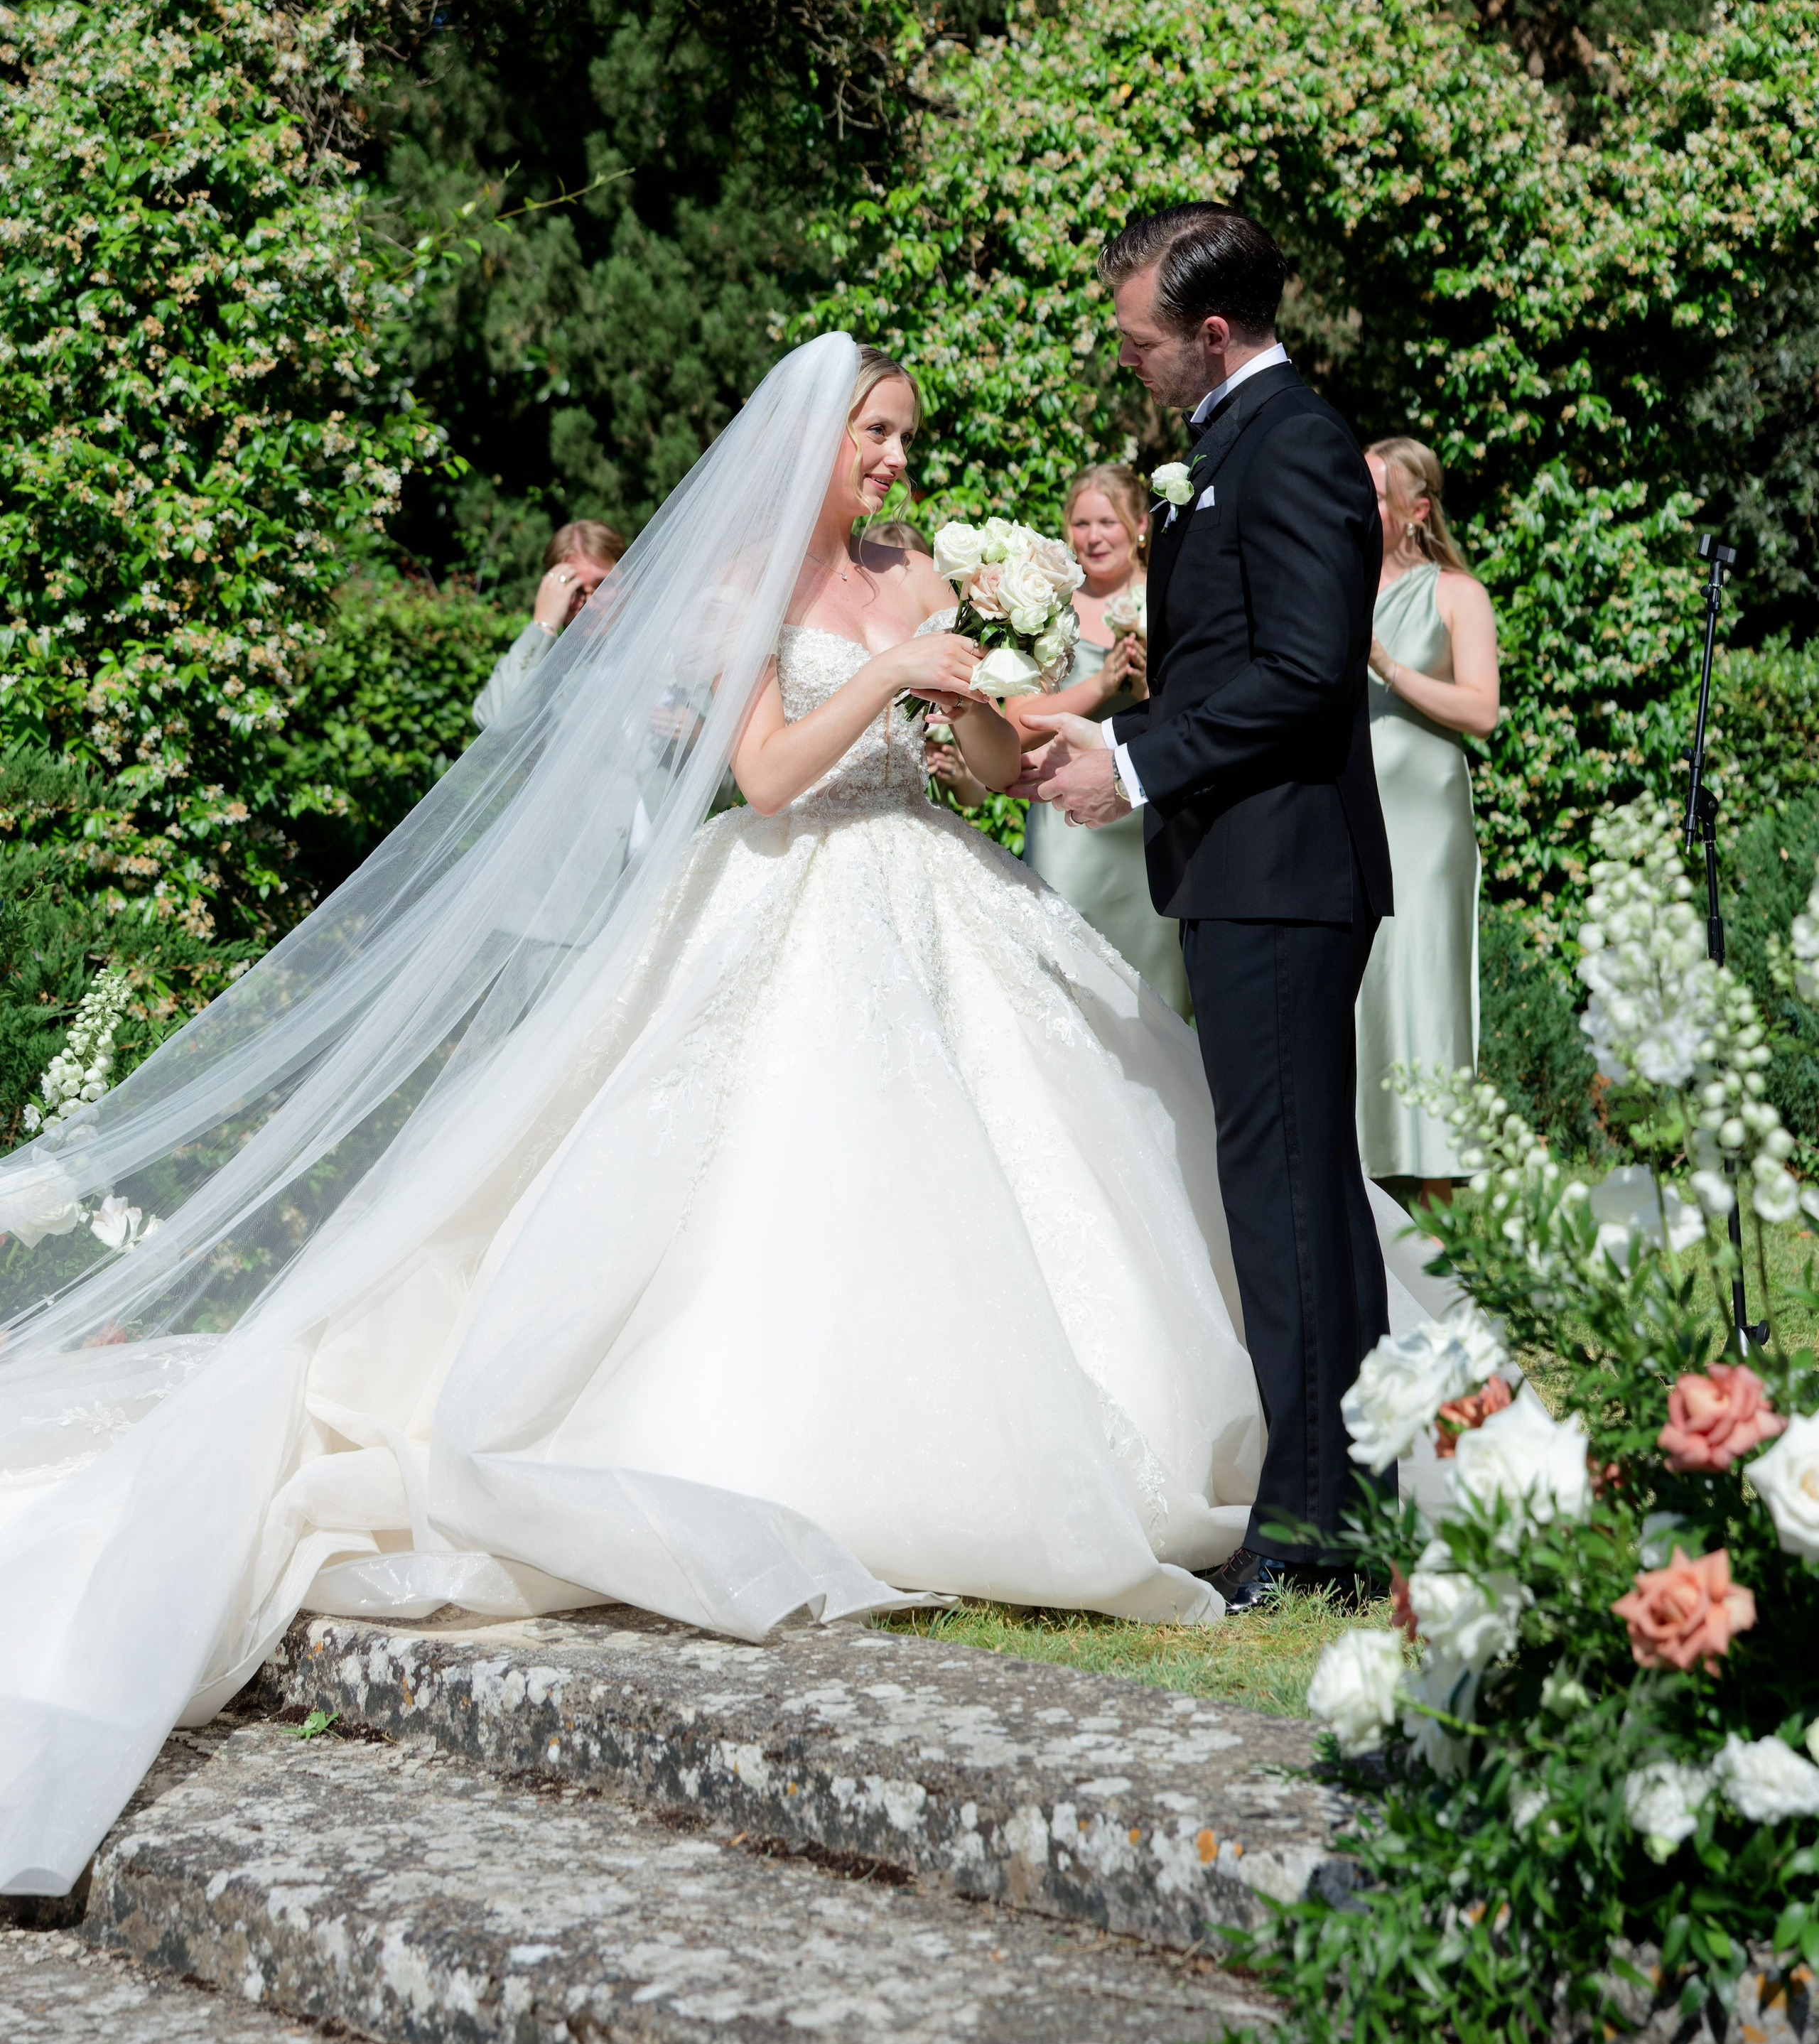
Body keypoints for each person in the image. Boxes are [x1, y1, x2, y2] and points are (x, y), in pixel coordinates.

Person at [0, 331, 1429, 1900]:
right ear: (817, 438)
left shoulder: (915, 568)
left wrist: (998, 697)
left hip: (943, 891)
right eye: (877, 435)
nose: (897, 460)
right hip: (790, 896)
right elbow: (763, 774)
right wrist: (888, 670)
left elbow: (959, 769)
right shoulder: (748, 580)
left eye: (903, 437)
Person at [1027, 205, 1395, 1614]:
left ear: (1213, 335)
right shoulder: (1225, 450)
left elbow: (1306, 672)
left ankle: (1305, 1528)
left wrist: (1134, 759)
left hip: (1281, 871)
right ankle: (1347, 1498)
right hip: (1250, 869)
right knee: (1297, 1184)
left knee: (1284, 1192)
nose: (1132, 363)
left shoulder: (1291, 443)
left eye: (1141, 342)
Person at [1356, 437, 1499, 1204]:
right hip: (1346, 810)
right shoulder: (1329, 585)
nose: (1357, 502)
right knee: (1356, 981)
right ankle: (1360, 1163)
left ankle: (1437, 1175)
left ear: (1416, 510)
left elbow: (1481, 710)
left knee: (1422, 978)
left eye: (1375, 492)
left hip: (1424, 822)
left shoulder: (1455, 593)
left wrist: (1388, 666)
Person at [1015, 467, 1191, 1015]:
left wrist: (1142, 687)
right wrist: (1101, 684)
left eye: (1107, 522)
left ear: (1140, 525)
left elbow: (1196, 715)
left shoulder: (1171, 593)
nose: (1093, 537)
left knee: (1153, 998)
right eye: (1081, 523)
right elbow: (1018, 721)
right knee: (1064, 986)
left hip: (1151, 821)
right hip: (1068, 827)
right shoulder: (1047, 606)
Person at [471, 519, 625, 730]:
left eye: (604, 585)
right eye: (575, 589)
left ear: (629, 582)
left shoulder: (668, 646)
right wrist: (544, 623)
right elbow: (495, 722)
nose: (589, 603)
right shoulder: (550, 668)